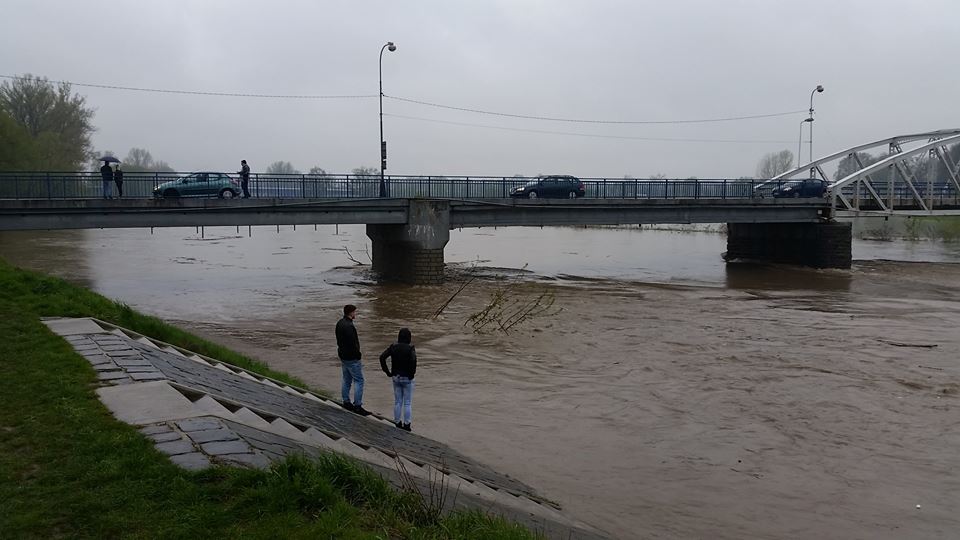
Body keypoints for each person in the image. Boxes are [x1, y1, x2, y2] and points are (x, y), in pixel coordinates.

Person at [379, 328, 417, 431]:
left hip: (395, 377)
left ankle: (397, 422)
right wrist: (411, 374)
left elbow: (382, 357)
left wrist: (387, 372)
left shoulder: (393, 347)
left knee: (398, 402)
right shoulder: (410, 349)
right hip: (407, 378)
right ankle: (407, 424)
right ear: (409, 337)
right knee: (407, 402)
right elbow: (413, 361)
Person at [335, 304, 370, 416]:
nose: (356, 314)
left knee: (346, 379)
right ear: (350, 313)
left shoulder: (340, 323)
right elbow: (353, 343)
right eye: (355, 312)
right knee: (359, 380)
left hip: (343, 356)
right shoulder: (349, 326)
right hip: (352, 358)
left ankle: (346, 401)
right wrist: (358, 355)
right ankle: (358, 405)